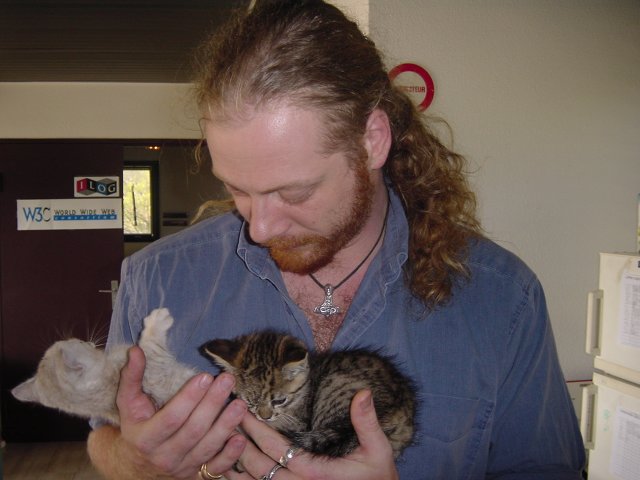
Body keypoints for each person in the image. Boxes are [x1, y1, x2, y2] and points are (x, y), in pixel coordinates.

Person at [87, 0, 586, 478]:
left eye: (294, 192)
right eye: (237, 189)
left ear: (372, 140)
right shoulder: (155, 277)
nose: (259, 229)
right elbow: (105, 435)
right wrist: (132, 464)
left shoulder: (502, 299)